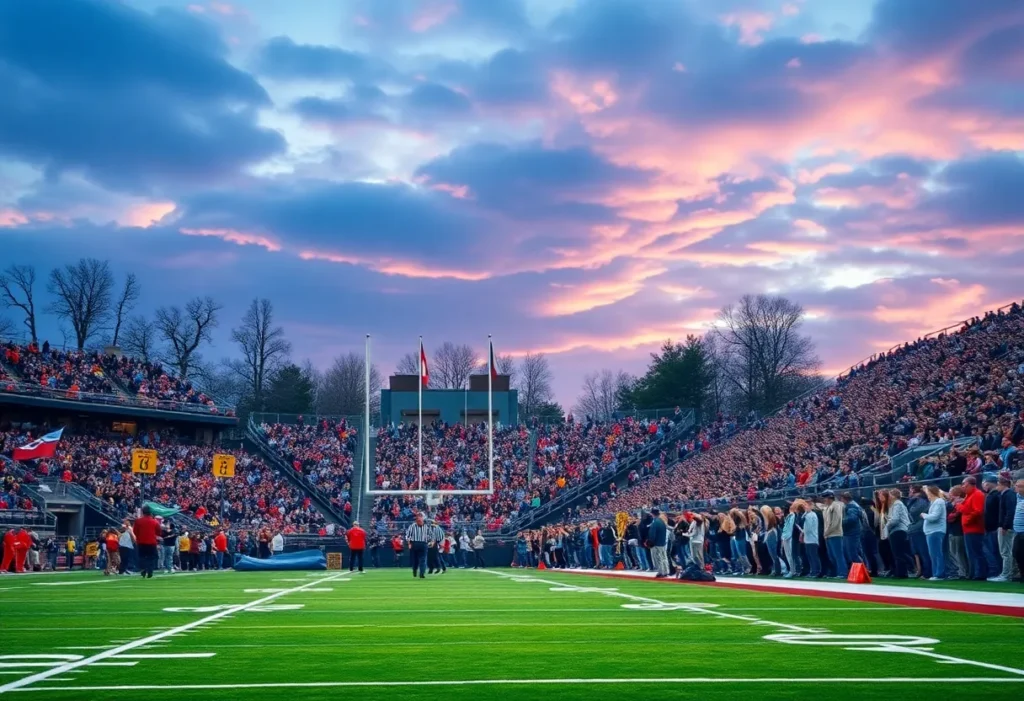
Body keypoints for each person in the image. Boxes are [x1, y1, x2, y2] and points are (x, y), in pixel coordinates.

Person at [956, 476, 987, 580]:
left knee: (975, 552)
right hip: (969, 528)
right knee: (971, 552)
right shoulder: (969, 495)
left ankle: (979, 574)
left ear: (969, 484)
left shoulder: (977, 494)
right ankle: (974, 573)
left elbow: (977, 511)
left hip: (974, 528)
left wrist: (959, 507)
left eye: (963, 484)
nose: (962, 486)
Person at [922, 485, 947, 581]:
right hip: (931, 531)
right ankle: (936, 573)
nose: (927, 494)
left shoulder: (939, 502)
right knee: (933, 553)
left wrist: (924, 515)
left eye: (928, 492)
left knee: (936, 553)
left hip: (936, 530)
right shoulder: (934, 502)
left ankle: (939, 574)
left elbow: (934, 517)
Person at [822, 491, 847, 578]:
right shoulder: (828, 507)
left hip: (836, 534)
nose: (824, 500)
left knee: (838, 555)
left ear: (829, 498)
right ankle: (835, 572)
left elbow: (836, 521)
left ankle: (842, 573)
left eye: (825, 498)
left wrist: (826, 532)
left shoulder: (836, 505)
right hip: (829, 535)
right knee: (832, 555)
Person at [134, 505, 160, 579]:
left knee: (142, 557)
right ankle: (150, 571)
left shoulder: (138, 521)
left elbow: (135, 531)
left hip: (141, 542)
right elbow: (159, 532)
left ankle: (143, 569)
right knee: (151, 557)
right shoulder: (154, 521)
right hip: (151, 542)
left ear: (143, 512)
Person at [405, 513, 430, 578]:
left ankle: (422, 573)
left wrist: (430, 541)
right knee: (415, 559)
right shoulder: (412, 526)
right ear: (416, 520)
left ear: (423, 519)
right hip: (414, 543)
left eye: (420, 518)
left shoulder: (426, 526)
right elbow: (408, 535)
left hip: (423, 543)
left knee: (423, 559)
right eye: (418, 518)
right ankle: (415, 570)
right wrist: (409, 543)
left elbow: (430, 535)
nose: (419, 520)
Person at [647, 508, 669, 578]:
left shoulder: (655, 522)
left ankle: (661, 572)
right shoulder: (662, 522)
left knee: (658, 558)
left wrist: (650, 542)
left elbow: (652, 534)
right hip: (662, 543)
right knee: (664, 557)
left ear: (652, 514)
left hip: (656, 543)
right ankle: (666, 571)